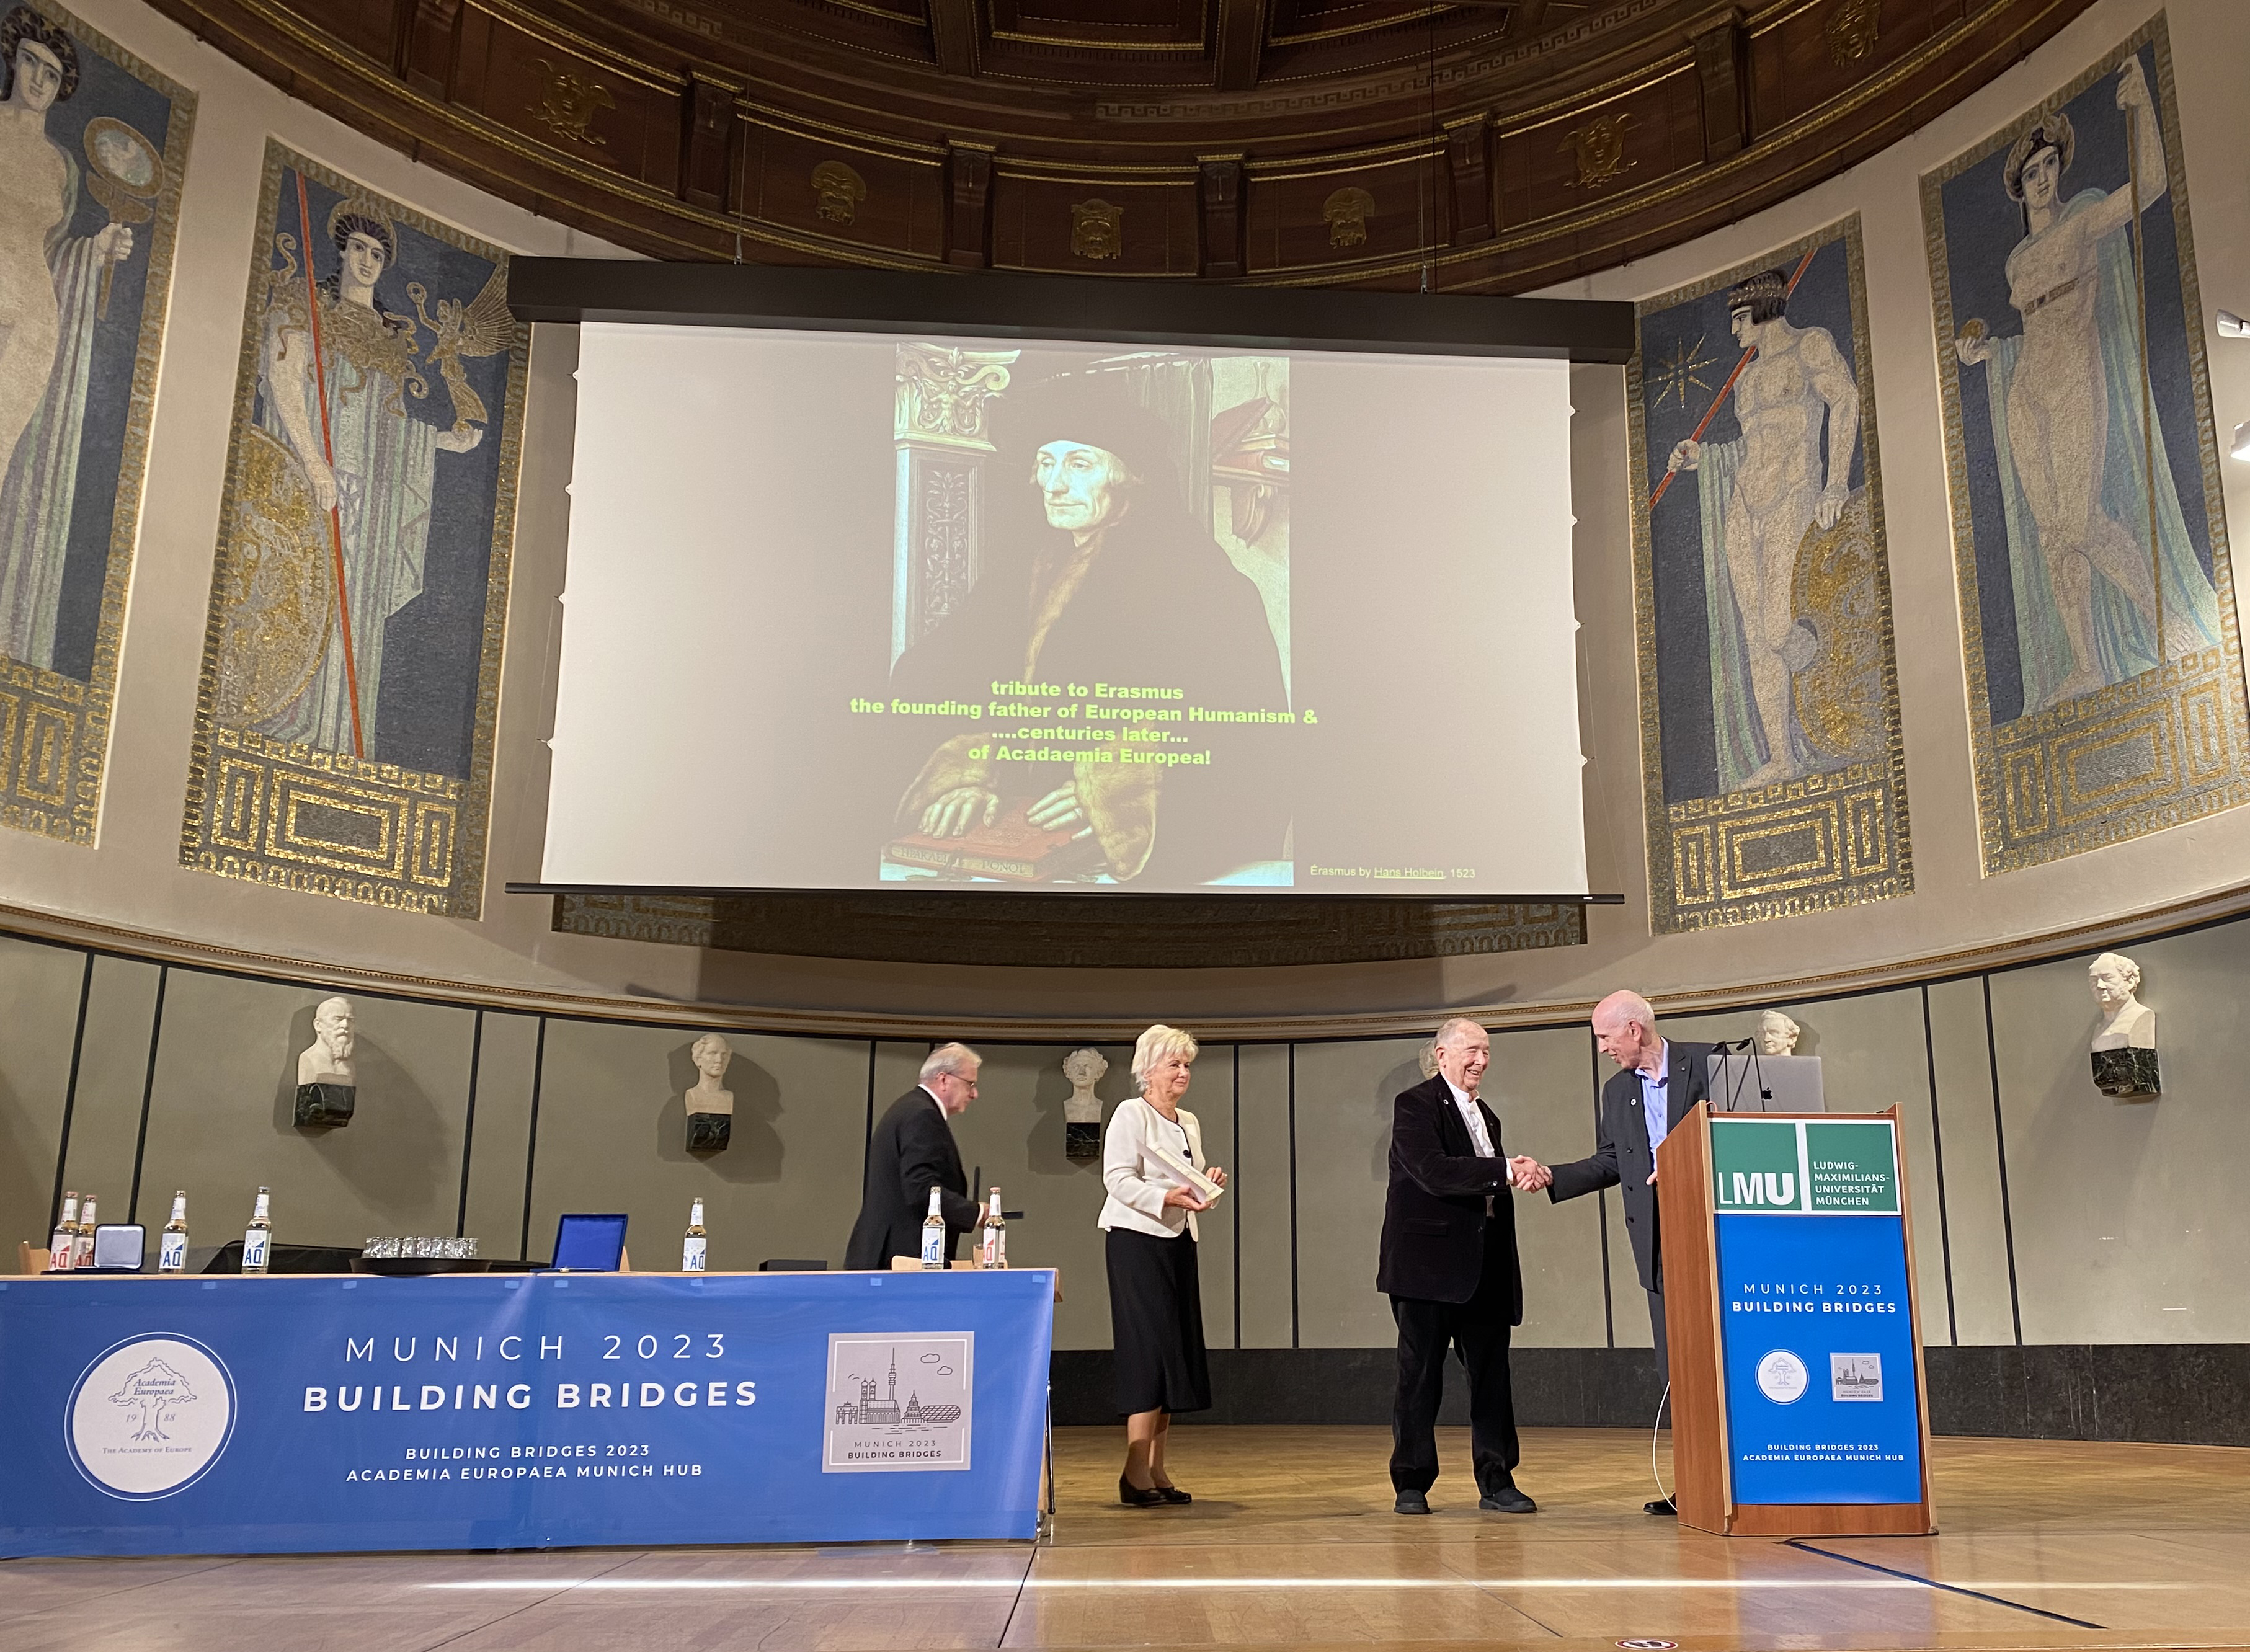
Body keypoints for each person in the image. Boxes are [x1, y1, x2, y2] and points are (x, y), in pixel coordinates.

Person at [886, 373, 1289, 884]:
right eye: (1046, 463)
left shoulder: (1202, 584)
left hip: (1129, 859)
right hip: (1014, 835)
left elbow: (1248, 738)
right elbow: (928, 681)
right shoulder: (1016, 577)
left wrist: (1114, 793)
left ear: (1129, 479)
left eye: (1080, 464)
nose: (1054, 485)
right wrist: (970, 775)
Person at [1951, 60, 2218, 711]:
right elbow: (2028, 327)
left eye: (2047, 169)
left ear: (2057, 173)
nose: (2041, 180)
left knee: (2079, 520)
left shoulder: (2082, 222)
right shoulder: (2016, 260)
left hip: (2076, 376)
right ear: (2018, 189)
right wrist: (1986, 352)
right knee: (2050, 533)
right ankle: (2084, 664)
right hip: (2027, 390)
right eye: (2030, 174)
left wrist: (2141, 108)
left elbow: (2151, 184)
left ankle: (2166, 623)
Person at [1513, 990, 1713, 1515]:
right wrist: (1553, 1175)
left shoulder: (1711, 1063)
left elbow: (1745, 1134)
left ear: (1634, 1030)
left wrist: (1686, 1166)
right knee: (1680, 1367)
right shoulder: (1617, 1092)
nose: (1601, 1048)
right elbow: (1611, 1162)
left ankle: (1749, 1476)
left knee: (1725, 1359)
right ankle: (1696, 1484)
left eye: (1604, 1037)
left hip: (1720, 1237)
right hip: (1659, 1245)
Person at [1666, 267, 1859, 788]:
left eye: (1739, 318)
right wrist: (1701, 458)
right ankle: (1782, 758)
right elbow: (1749, 448)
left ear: (1764, 308)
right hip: (1744, 503)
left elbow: (1844, 400)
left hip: (1793, 495)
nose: (1734, 331)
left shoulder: (1810, 346)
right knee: (1756, 635)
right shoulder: (1747, 380)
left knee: (1778, 627)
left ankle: (1821, 669)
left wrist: (1836, 482)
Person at [0, 7, 135, 670]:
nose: (38, 80)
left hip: (32, 316)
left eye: (52, 74)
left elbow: (56, 253)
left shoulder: (61, 166)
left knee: (3, 459)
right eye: (30, 62)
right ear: (12, 59)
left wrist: (97, 249)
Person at [1377, 1016, 1540, 1516]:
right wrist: (1504, 1170)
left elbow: (1486, 1183)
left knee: (1492, 1378)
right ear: (1442, 1055)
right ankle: (1411, 1483)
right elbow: (1433, 1172)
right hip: (1427, 1271)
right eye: (1471, 1051)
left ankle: (1497, 1480)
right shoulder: (1414, 1105)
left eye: (1487, 1052)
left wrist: (1516, 1171)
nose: (1481, 1061)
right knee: (1419, 1377)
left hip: (1484, 1268)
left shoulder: (1486, 1115)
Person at [1100, 1023, 1227, 1506]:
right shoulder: (1130, 1113)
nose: (1183, 1073)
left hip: (1178, 1240)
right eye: (1174, 1064)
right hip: (1136, 1241)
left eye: (1187, 1065)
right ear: (1147, 1069)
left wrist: (1203, 1187)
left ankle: (1156, 1468)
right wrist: (1164, 1197)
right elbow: (1116, 1178)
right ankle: (1133, 1473)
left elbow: (1186, 1181)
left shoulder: (1188, 1121)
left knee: (1174, 1353)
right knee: (1147, 1353)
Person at [843, 1042, 985, 1270]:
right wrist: (976, 1213)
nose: (974, 1093)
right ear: (944, 1080)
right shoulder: (922, 1116)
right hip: (900, 1259)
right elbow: (920, 1188)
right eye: (970, 1084)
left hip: (889, 1255)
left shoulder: (911, 1108)